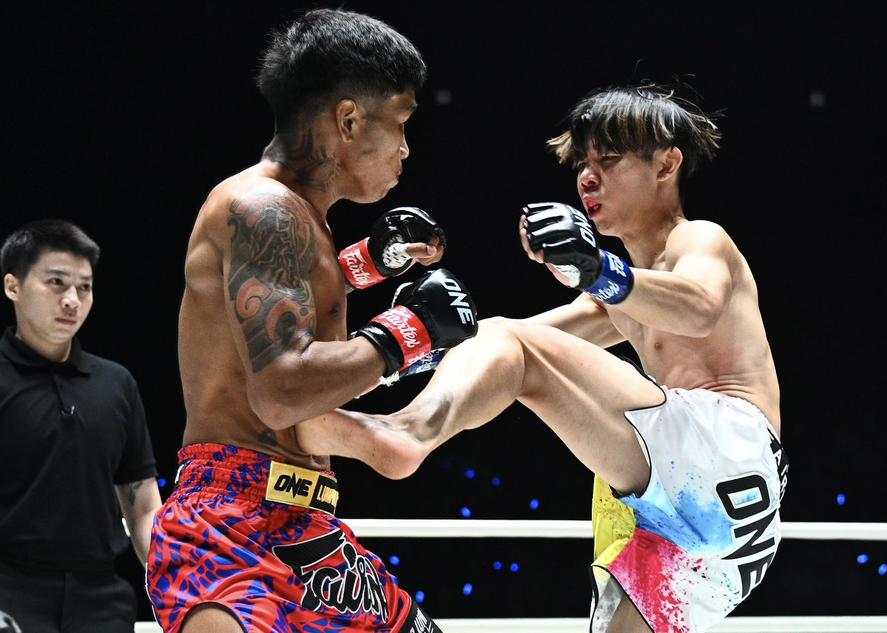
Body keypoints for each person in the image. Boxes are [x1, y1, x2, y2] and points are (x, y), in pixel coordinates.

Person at [299, 84, 790, 633]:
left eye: (608, 159)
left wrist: (600, 270)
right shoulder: (621, 296)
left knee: (514, 344)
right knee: (506, 342)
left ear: (666, 164)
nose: (587, 178)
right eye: (582, 164)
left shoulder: (699, 240)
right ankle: (388, 419)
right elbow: (499, 345)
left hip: (729, 454)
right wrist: (396, 357)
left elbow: (698, 307)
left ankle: (408, 432)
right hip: (711, 517)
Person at [146, 9, 478, 633]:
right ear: (348, 121)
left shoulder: (296, 217)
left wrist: (372, 262)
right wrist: (411, 330)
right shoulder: (262, 208)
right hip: (231, 526)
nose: (406, 148)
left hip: (307, 526)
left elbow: (287, 302)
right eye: (401, 123)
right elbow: (281, 389)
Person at [0, 219, 161, 633]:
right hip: (10, 591)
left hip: (102, 598)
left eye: (84, 287)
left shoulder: (116, 384)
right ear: (13, 287)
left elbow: (143, 504)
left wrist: (171, 583)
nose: (72, 300)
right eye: (56, 282)